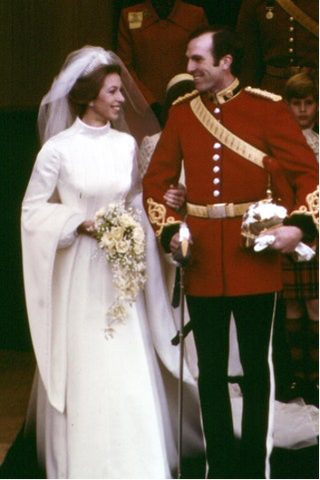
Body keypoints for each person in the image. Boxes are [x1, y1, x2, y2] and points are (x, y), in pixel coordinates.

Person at [143, 25, 320, 480]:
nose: (189, 68)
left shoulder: (268, 109)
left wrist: (295, 227)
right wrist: (172, 234)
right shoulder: (183, 113)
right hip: (200, 258)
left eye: (197, 60)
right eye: (188, 59)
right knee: (211, 375)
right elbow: (155, 183)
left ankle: (252, 469)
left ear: (225, 63)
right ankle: (219, 468)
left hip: (253, 259)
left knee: (258, 373)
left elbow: (311, 178)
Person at [20, 46, 204, 479]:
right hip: (81, 273)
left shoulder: (126, 145)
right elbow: (32, 211)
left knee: (126, 359)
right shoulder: (57, 151)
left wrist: (160, 211)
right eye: (114, 90)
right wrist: (76, 222)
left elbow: (137, 200)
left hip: (123, 272)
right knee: (89, 362)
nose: (123, 99)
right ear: (89, 96)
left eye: (122, 90)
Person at [281, 71, 320, 406]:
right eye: (297, 103)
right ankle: (295, 377)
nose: (303, 110)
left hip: (317, 232)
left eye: (308, 103)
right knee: (292, 305)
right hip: (288, 229)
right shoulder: (280, 142)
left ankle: (316, 378)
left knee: (315, 305)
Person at [117, 0, 208, 123]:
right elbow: (124, 67)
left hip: (188, 105)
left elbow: (205, 60)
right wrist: (148, 103)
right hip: (142, 112)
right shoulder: (132, 15)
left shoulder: (194, 15)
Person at [236, 0, 320, 96]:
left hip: (315, 91)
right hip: (272, 90)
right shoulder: (255, 3)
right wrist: (248, 97)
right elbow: (249, 58)